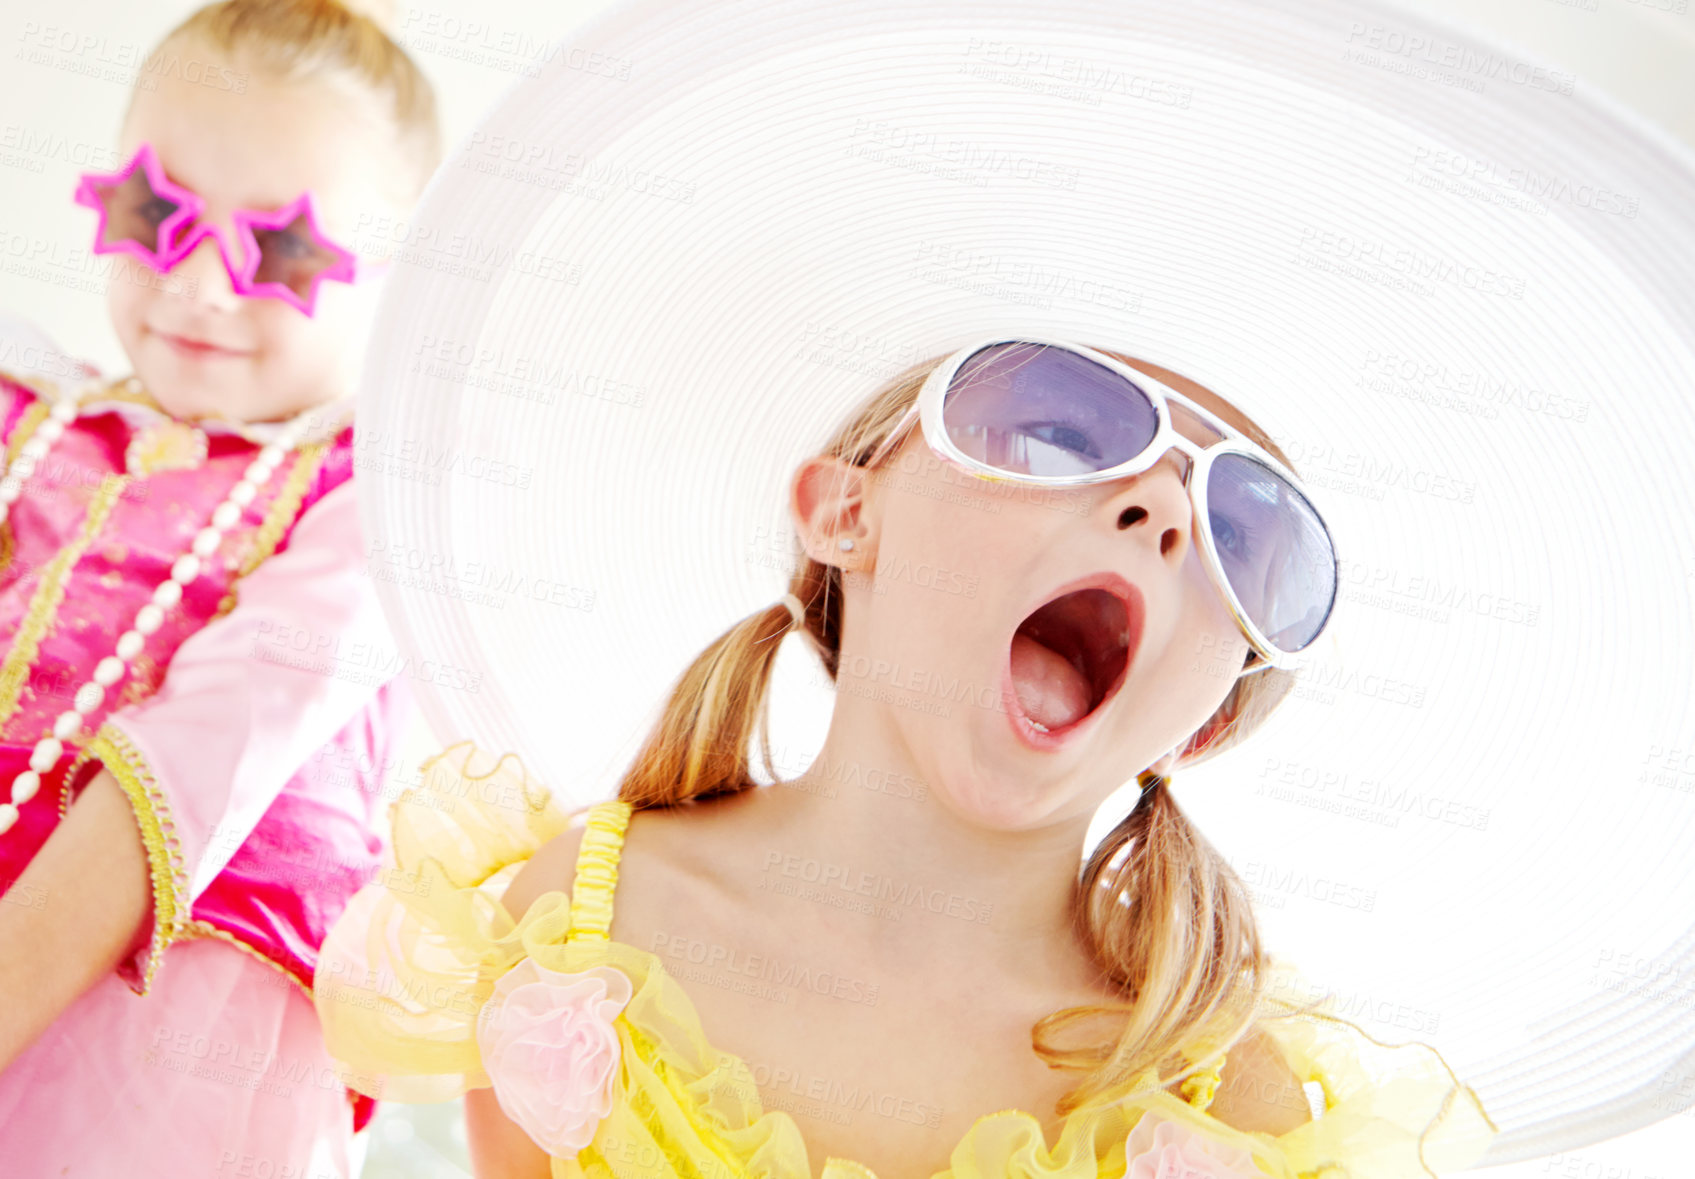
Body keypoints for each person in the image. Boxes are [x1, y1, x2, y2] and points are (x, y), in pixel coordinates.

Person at [314, 341, 1496, 1178]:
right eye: (1055, 435)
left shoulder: (1225, 1110)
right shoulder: (578, 937)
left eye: (1243, 538)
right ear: (845, 513)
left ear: (1206, 724)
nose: (1159, 511)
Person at [0, 1, 441, 1173]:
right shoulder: (26, 424)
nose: (197, 288)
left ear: (394, 276)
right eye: (156, 213)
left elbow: (213, 749)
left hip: (176, 1037)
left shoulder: (378, 500)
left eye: (282, 248)